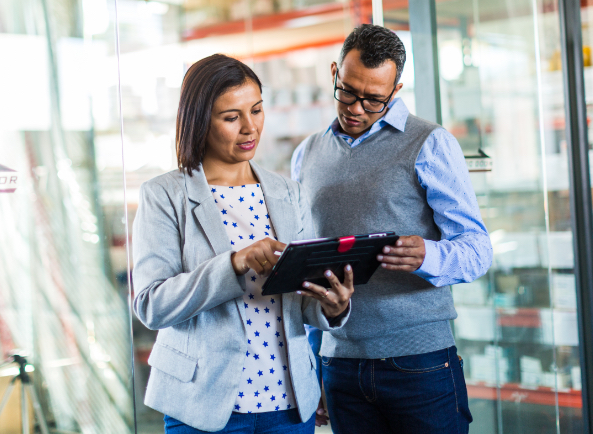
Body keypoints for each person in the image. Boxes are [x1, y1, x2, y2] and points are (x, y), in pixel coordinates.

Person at [132, 54, 354, 434]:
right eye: (231, 117)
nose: (250, 128)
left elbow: (300, 303)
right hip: (204, 404)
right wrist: (233, 264)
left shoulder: (288, 192)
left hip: (287, 403)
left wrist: (331, 307)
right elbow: (152, 305)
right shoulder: (164, 195)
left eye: (256, 110)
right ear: (201, 121)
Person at [291, 24, 493, 434]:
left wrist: (429, 255)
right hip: (339, 365)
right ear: (334, 73)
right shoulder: (306, 154)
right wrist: (313, 363)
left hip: (420, 365)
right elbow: (309, 269)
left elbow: (478, 249)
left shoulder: (429, 143)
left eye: (374, 99)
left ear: (396, 90)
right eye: (347, 91)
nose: (356, 108)